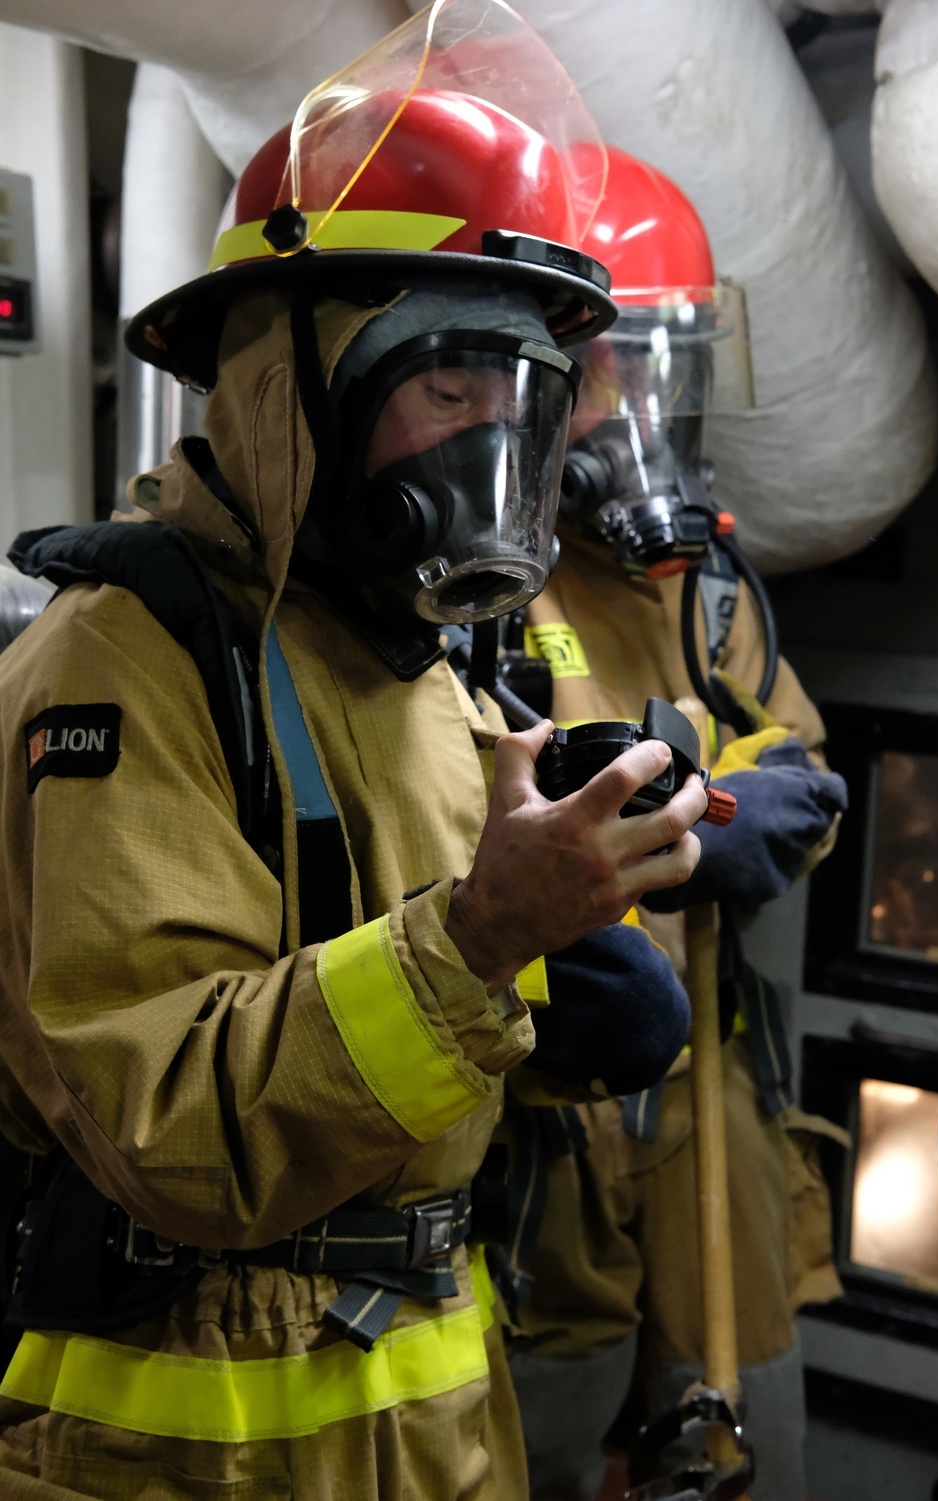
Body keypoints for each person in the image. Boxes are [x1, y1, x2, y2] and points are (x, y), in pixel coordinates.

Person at [0, 15, 707, 1499]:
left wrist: (553, 979)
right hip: (193, 1447)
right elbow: (170, 1125)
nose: (484, 452)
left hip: (438, 1419)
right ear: (290, 378)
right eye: (449, 387)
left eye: (517, 402)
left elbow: (409, 1037)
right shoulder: (125, 661)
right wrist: (482, 939)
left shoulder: (411, 666)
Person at [500, 147, 849, 1501]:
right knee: (538, 1445)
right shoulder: (468, 590)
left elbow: (795, 753)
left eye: (664, 369)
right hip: (546, 1137)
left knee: (745, 1433)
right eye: (607, 374)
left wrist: (742, 802)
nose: (636, 410)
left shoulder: (704, 582)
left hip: (714, 1107)